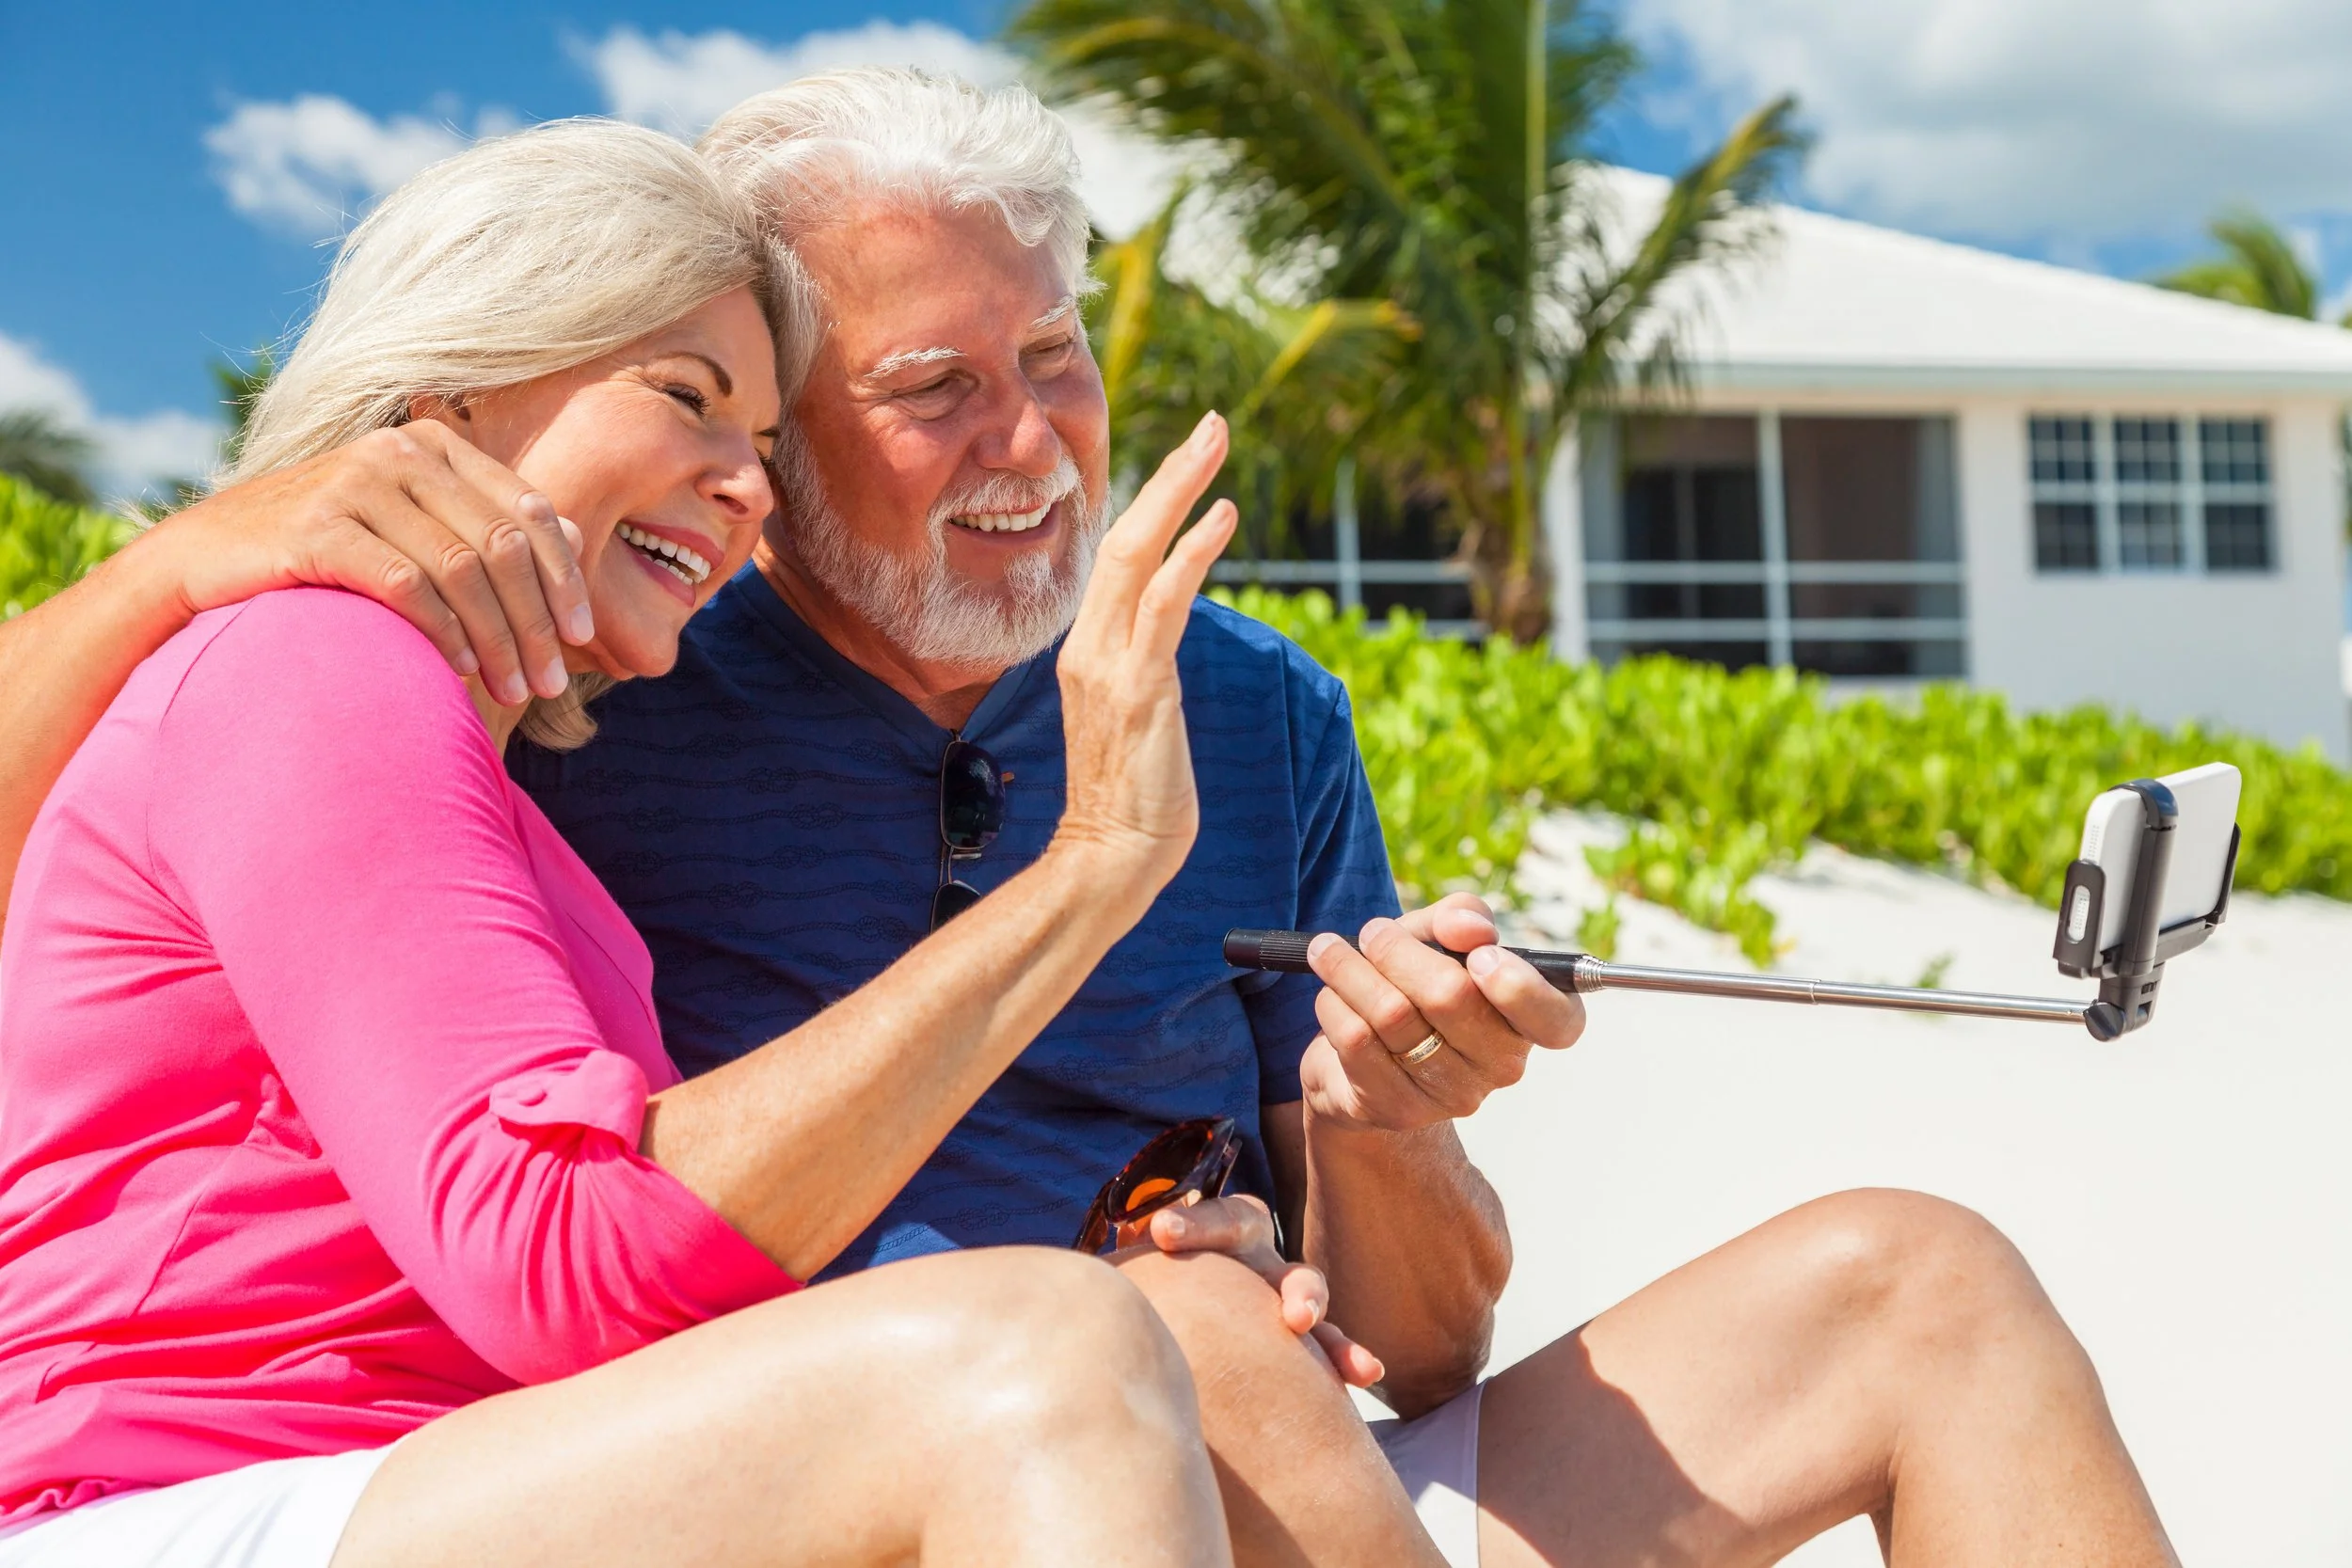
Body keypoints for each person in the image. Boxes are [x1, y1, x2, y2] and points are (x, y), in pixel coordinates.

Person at [0, 77, 2182, 1568]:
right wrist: (192, 550)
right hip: (918, 1450)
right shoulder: (572, 711)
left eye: (1051, 355)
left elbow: (1413, 1340)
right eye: (924, 390)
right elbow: (558, 1243)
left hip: (1222, 1459)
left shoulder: (1251, 707)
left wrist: (1376, 1122)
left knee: (1920, 1277)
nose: (1029, 440)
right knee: (1125, 1338)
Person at [0, 118, 1257, 1568]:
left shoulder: (477, 767)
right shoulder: (313, 665)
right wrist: (1091, 865)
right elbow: (554, 1248)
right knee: (1038, 1361)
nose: (750, 488)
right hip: (189, 1504)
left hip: (426, 1483)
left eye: (769, 442)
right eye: (687, 398)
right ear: (452, 400)